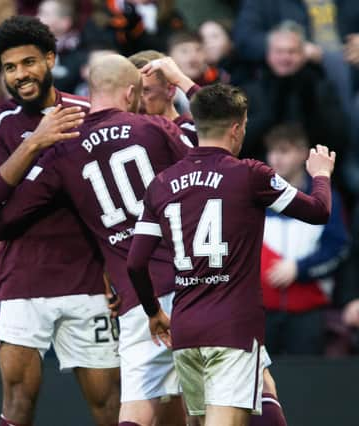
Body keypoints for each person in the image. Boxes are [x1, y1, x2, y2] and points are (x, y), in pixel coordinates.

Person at [0, 53, 192, 426]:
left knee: (137, 406)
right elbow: (214, 160)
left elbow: (6, 218)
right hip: (192, 279)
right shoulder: (155, 130)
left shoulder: (63, 148)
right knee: (215, 398)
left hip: (139, 298)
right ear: (131, 92)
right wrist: (183, 85)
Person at [126, 83, 335, 426]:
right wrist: (322, 176)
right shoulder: (250, 174)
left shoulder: (162, 182)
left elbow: (135, 263)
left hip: (185, 328)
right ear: (237, 128)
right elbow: (318, 211)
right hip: (232, 330)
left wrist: (153, 312)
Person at [0, 15, 121, 426]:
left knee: (110, 405)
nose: (20, 75)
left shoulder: (89, 113)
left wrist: (115, 266)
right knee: (18, 404)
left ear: (51, 58)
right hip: (21, 280)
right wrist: (38, 140)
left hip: (87, 279)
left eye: (28, 62)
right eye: (10, 68)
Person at [136, 54, 290, 426]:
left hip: (181, 308)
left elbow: (214, 117)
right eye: (138, 93)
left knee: (256, 388)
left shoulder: (161, 146)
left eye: (149, 91)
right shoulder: (174, 135)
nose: (144, 100)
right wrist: (185, 81)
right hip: (215, 308)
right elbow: (218, 117)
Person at [261, 123, 349, 355]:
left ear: (302, 154)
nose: (275, 158)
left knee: (306, 383)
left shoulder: (326, 198)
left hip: (309, 309)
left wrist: (299, 269)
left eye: (284, 151)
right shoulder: (258, 196)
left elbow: (337, 248)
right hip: (261, 310)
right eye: (272, 151)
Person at [241, 20, 349, 160]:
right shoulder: (250, 91)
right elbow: (239, 142)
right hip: (259, 170)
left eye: (292, 52)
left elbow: (338, 140)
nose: (285, 58)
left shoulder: (320, 87)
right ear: (268, 54)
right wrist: (269, 115)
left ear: (304, 54)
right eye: (279, 51)